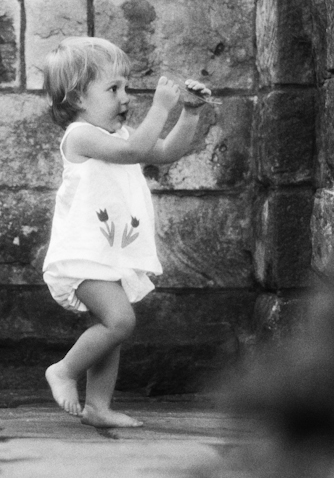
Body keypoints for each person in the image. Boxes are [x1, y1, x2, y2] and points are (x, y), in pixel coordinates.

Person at [37, 37, 211, 429]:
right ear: (78, 98)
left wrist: (189, 114)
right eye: (113, 89)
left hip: (107, 251)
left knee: (109, 329)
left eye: (125, 87)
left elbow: (163, 152)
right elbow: (135, 153)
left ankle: (97, 407)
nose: (125, 97)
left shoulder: (120, 136)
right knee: (120, 321)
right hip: (82, 253)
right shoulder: (80, 135)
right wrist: (160, 107)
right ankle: (63, 370)